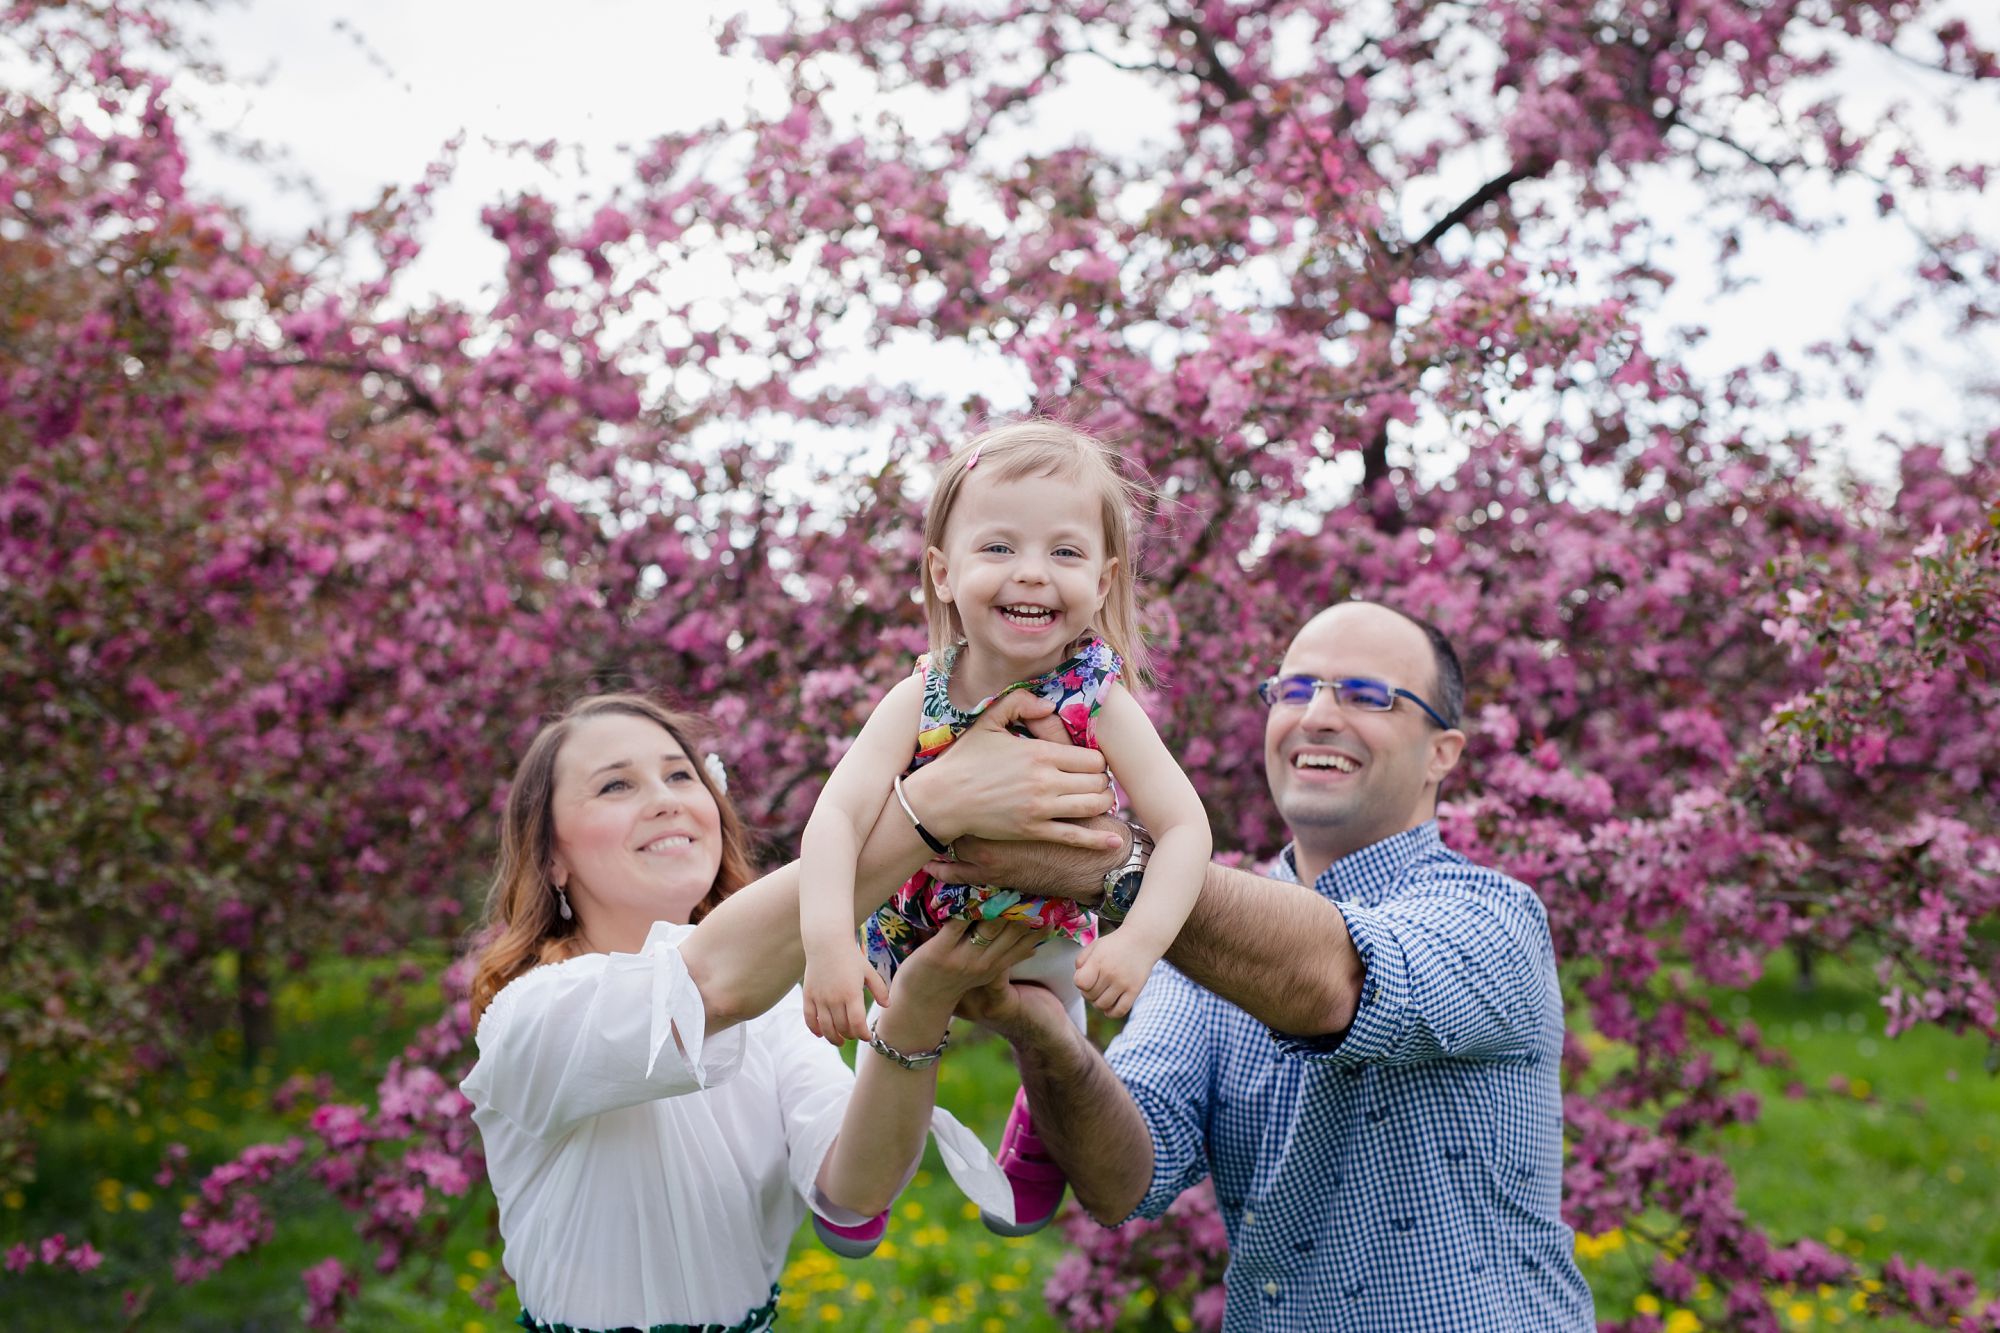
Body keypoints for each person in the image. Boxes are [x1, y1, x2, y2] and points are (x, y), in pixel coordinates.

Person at [948, 601, 1596, 1330]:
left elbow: (1335, 982)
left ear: (1443, 752)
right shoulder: (1194, 942)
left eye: (1366, 695)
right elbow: (1122, 1179)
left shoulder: (1496, 917)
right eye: (1293, 690)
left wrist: (1101, 862)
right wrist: (1048, 1037)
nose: (1317, 715)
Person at [459, 691, 1117, 1333]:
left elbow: (854, 1191)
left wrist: (916, 1004)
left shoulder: (769, 1013)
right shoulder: (528, 1017)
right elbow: (707, 984)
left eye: (680, 774)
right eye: (614, 786)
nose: (665, 799)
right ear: (549, 855)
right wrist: (925, 812)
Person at [795, 420, 1212, 1235]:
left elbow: (1186, 825)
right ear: (944, 575)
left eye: (1065, 552)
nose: (1032, 573)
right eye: (999, 549)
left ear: (1103, 580)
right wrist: (826, 943)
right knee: (887, 1037)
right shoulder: (921, 694)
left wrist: (1139, 942)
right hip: (916, 927)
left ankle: (1035, 1133)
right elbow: (836, 816)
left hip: (1041, 937)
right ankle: (863, 1169)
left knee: (1059, 1028)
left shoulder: (1100, 699)